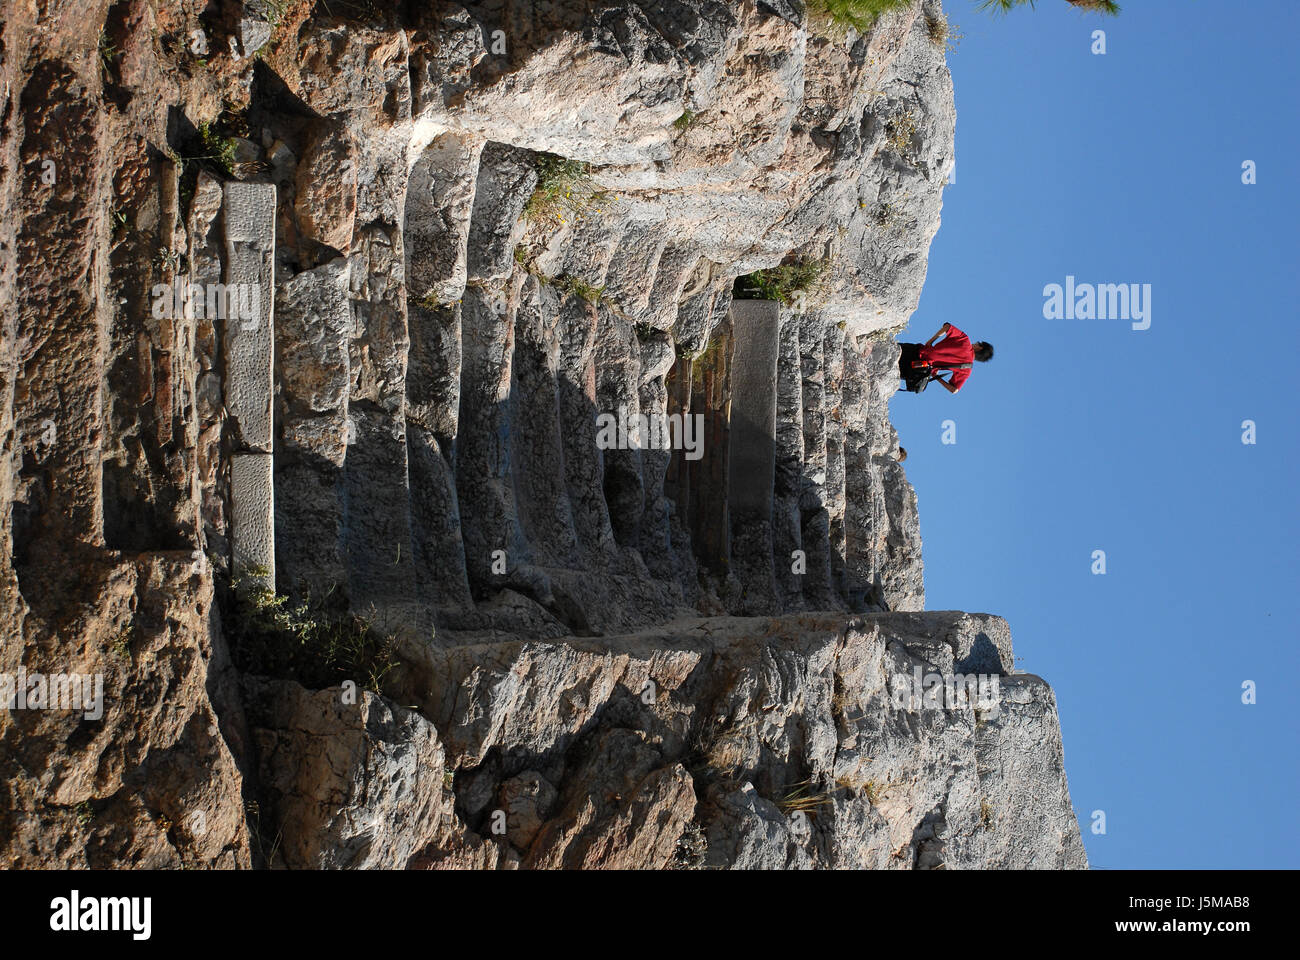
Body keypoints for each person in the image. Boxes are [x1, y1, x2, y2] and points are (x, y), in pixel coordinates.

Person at [898, 323, 993, 393]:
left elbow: (947, 327)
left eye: (978, 343)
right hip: (916, 369)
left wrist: (931, 341)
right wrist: (936, 376)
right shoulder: (967, 369)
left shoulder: (965, 340)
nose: (975, 343)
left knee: (887, 351)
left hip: (916, 351)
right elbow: (954, 390)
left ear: (980, 347)